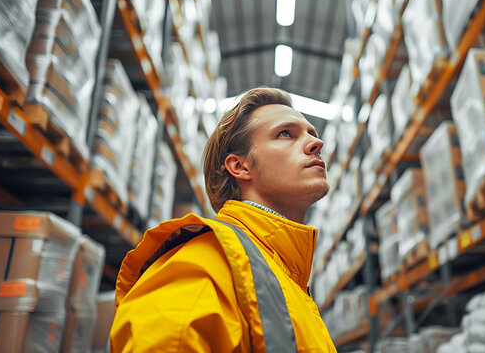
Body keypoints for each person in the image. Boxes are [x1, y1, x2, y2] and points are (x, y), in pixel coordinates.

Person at [110, 87, 337, 352]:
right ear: (240, 167)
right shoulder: (204, 262)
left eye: (312, 133)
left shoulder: (289, 282)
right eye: (285, 133)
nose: (316, 143)